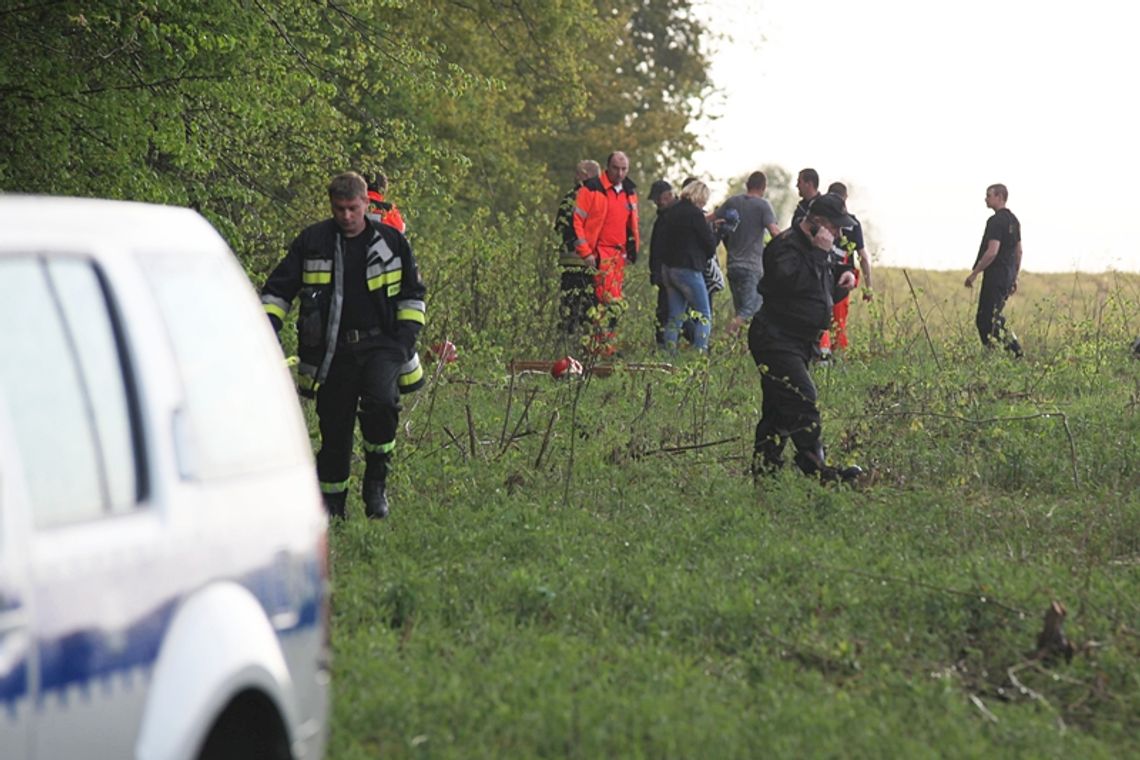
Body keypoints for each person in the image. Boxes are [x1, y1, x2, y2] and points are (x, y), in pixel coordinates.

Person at [261, 172, 426, 519]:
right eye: (340, 209)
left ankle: (376, 483)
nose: (347, 216)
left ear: (367, 203)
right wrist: (266, 327)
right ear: (331, 206)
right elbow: (278, 290)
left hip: (382, 345)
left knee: (382, 405)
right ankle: (333, 508)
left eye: (353, 208)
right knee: (334, 430)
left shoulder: (392, 241)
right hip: (332, 352)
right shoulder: (313, 241)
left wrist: (404, 341)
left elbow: (413, 295)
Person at [748, 192, 862, 483]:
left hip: (800, 342)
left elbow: (815, 293)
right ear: (818, 222)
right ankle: (819, 473)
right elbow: (788, 284)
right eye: (835, 227)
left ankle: (765, 474)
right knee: (802, 399)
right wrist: (819, 254)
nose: (837, 234)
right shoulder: (784, 247)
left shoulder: (817, 248)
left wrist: (842, 283)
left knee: (778, 412)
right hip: (775, 338)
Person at [571, 151, 640, 354]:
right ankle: (600, 347)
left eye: (624, 169)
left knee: (614, 302)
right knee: (605, 301)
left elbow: (632, 223)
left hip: (619, 255)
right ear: (607, 167)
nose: (620, 173)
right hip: (599, 253)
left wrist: (631, 250)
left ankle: (604, 345)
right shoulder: (592, 189)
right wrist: (586, 253)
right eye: (616, 169)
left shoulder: (629, 191)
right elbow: (577, 222)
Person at [714, 171, 781, 336]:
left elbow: (710, 218)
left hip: (732, 266)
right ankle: (723, 339)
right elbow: (774, 232)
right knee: (750, 310)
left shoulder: (733, 202)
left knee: (741, 311)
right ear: (763, 187)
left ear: (747, 184)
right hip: (751, 267)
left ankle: (740, 349)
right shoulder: (763, 206)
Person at [657, 180, 718, 353]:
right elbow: (709, 244)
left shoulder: (671, 211)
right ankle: (700, 355)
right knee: (704, 315)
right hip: (688, 269)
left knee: (675, 316)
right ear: (700, 196)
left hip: (668, 269)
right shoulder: (695, 214)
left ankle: (668, 355)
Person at [965, 183, 1023, 357]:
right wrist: (1014, 277)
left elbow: (992, 251)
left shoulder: (996, 221)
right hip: (1007, 275)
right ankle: (1008, 353)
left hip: (996, 275)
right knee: (993, 317)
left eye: (989, 195)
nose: (986, 199)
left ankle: (1011, 352)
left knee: (985, 319)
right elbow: (1018, 251)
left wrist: (975, 273)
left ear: (999, 197)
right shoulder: (1014, 221)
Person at [819, 181, 874, 355]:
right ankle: (837, 357)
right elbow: (863, 257)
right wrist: (868, 286)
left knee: (820, 317)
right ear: (845, 198)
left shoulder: (818, 220)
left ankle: (821, 356)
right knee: (838, 321)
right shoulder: (853, 223)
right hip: (844, 277)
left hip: (821, 274)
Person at [554, 159, 601, 336]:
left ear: (585, 174)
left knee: (570, 305)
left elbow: (560, 227)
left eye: (578, 172)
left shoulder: (574, 196)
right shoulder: (600, 197)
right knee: (589, 307)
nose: (575, 176)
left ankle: (568, 341)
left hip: (572, 261)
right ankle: (587, 344)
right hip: (591, 262)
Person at [647, 178, 677, 349]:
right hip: (664, 273)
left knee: (667, 311)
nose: (657, 203)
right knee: (665, 310)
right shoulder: (664, 216)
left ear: (668, 195)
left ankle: (665, 344)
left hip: (671, 272)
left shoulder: (672, 216)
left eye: (659, 198)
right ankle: (663, 344)